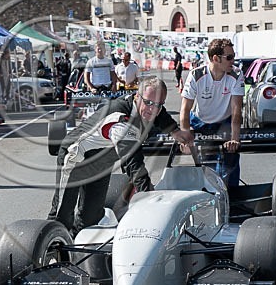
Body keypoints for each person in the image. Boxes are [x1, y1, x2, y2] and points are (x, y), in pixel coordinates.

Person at [49, 76, 193, 234]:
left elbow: (160, 113)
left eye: (158, 104)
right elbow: (133, 163)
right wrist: (149, 197)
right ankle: (51, 251)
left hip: (101, 161)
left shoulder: (148, 105)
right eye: (148, 103)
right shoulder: (121, 119)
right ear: (136, 96)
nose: (153, 109)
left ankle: (76, 250)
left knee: (91, 217)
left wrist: (175, 131)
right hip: (75, 158)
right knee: (62, 216)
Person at [179, 38, 244, 187]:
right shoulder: (196, 75)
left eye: (233, 56)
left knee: (231, 157)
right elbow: (185, 109)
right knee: (207, 161)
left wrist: (235, 139)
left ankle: (232, 195)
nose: (232, 61)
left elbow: (236, 111)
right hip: (200, 120)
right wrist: (185, 137)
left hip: (224, 121)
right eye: (229, 57)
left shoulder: (237, 74)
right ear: (215, 58)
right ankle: (206, 190)